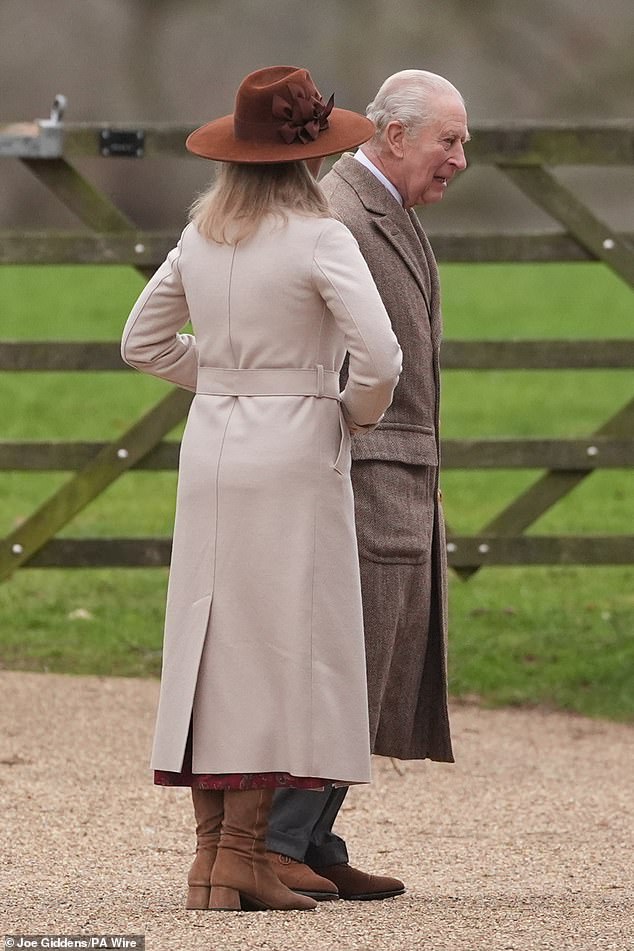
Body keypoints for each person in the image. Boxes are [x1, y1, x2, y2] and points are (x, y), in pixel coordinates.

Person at [120, 66, 401, 913]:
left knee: (212, 641)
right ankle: (242, 850)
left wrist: (226, 379)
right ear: (310, 156)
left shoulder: (201, 233)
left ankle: (214, 860)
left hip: (212, 449)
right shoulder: (322, 237)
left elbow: (142, 341)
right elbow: (383, 358)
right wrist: (344, 411)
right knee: (279, 647)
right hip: (294, 453)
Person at [266, 69, 469, 902]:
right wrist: (352, 433)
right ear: (393, 136)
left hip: (395, 469)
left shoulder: (382, 209)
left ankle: (313, 839)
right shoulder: (342, 215)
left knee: (371, 660)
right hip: (363, 466)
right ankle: (279, 839)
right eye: (447, 140)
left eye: (464, 141)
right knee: (342, 662)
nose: (460, 158)